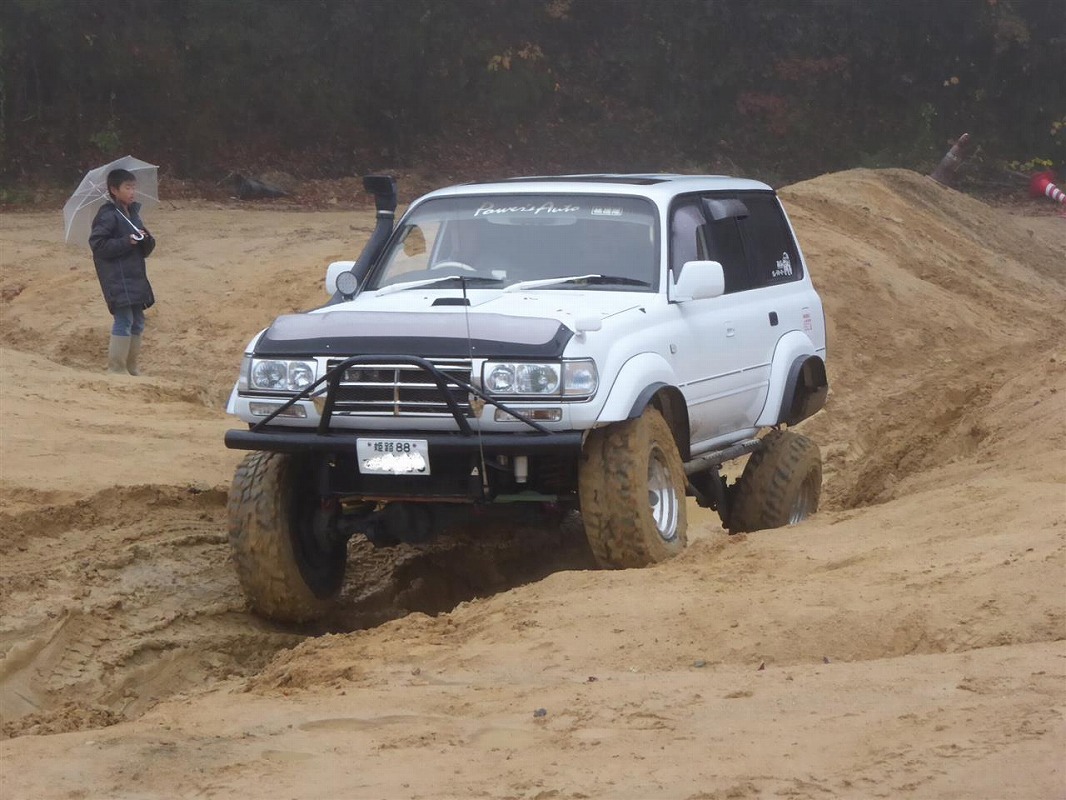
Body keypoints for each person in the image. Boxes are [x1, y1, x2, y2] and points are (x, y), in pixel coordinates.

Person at [89, 168, 156, 375]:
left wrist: (146, 240)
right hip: (117, 279)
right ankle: (116, 369)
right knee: (124, 319)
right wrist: (126, 241)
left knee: (138, 321)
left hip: (135, 276)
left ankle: (131, 367)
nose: (132, 191)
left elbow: (146, 249)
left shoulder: (132, 214)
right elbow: (98, 245)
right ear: (114, 190)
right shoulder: (108, 215)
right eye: (127, 187)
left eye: (133, 187)